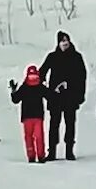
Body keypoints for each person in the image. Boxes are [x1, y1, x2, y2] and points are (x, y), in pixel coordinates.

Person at [39, 30, 87, 161]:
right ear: (58, 43)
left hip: (71, 97)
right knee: (54, 124)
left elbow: (82, 77)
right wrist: (45, 91)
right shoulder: (52, 57)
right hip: (55, 97)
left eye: (66, 40)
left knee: (70, 124)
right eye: (62, 41)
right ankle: (52, 151)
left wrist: (79, 95)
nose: (65, 43)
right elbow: (41, 73)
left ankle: (69, 151)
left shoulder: (77, 57)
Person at [10, 65, 48, 163]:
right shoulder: (25, 87)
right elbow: (16, 99)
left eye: (34, 77)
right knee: (30, 136)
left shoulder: (38, 87)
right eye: (31, 77)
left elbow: (50, 95)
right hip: (29, 117)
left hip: (36, 116)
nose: (33, 79)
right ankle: (33, 155)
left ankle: (40, 155)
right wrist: (14, 91)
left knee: (36, 136)